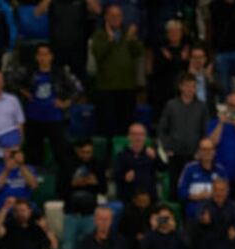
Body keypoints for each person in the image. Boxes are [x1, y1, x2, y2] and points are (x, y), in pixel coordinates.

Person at [10, 44, 80, 179]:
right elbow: (10, 80)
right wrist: (23, 91)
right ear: (36, 57)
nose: (43, 58)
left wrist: (66, 103)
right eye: (40, 54)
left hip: (55, 118)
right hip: (33, 118)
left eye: (46, 54)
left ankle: (65, 182)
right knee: (33, 154)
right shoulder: (29, 71)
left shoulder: (60, 72)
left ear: (51, 56)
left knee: (62, 153)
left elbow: (78, 88)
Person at [90, 4, 143, 136]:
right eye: (112, 15)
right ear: (106, 17)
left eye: (118, 15)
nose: (116, 18)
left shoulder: (127, 33)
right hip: (106, 89)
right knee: (107, 126)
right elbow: (98, 54)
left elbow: (138, 52)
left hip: (127, 87)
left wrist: (132, 39)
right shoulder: (99, 35)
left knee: (126, 125)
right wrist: (110, 40)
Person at [158, 73, 210, 196]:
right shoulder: (171, 105)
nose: (190, 89)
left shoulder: (202, 107)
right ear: (180, 87)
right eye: (187, 86)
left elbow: (205, 130)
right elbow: (162, 129)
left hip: (194, 155)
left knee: (192, 188)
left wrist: (201, 151)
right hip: (175, 154)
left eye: (193, 86)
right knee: (175, 188)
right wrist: (167, 148)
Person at [61, 138, 107, 249]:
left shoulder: (97, 165)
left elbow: (104, 189)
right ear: (77, 151)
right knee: (69, 248)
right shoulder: (67, 165)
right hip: (71, 214)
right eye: (83, 152)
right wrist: (73, 184)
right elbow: (59, 190)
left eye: (89, 152)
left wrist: (95, 182)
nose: (86, 155)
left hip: (90, 215)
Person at [178, 138, 228, 220]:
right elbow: (181, 192)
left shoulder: (221, 170)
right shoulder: (189, 168)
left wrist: (214, 196)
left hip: (216, 214)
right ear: (199, 152)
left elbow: (227, 192)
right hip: (194, 214)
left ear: (214, 152)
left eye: (210, 149)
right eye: (204, 149)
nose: (207, 153)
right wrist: (198, 196)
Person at [114, 123, 160, 203]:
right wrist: (124, 177)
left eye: (141, 134)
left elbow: (163, 168)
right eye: (134, 134)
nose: (138, 138)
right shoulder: (122, 155)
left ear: (145, 137)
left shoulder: (152, 154)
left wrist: (156, 157)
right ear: (129, 136)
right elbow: (115, 175)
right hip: (129, 198)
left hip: (150, 197)